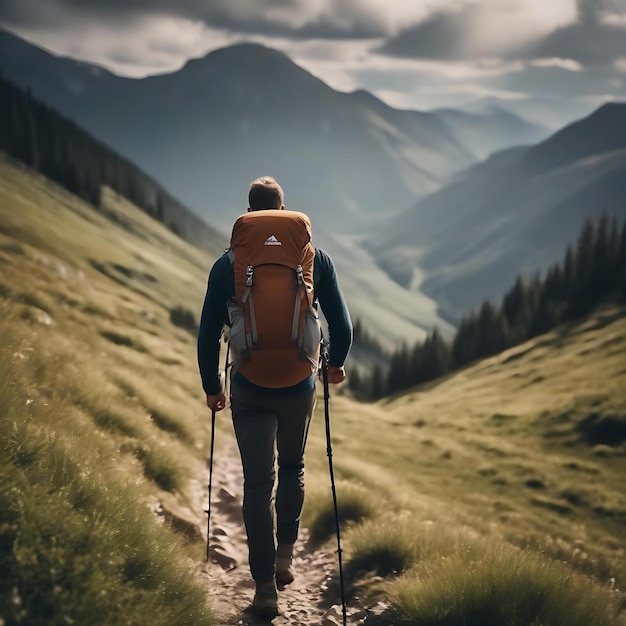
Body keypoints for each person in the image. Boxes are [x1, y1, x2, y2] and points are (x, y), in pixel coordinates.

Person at [197, 176, 352, 618]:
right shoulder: (314, 259)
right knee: (293, 467)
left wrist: (213, 387)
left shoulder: (228, 263)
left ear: (248, 212)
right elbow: (341, 326)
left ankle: (264, 586)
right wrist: (334, 364)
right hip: (299, 382)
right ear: (284, 210)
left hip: (248, 383)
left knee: (257, 483)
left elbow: (209, 333)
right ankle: (286, 556)